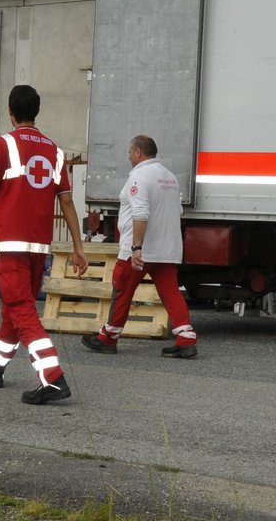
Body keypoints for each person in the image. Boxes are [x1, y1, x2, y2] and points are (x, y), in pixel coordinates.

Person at [0, 84, 88, 405]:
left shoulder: (3, 144)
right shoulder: (55, 151)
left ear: (11, 112)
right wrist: (78, 246)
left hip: (11, 244)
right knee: (12, 309)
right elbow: (67, 203)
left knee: (21, 309)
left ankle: (52, 378)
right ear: (36, 112)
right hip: (38, 246)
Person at [82, 135, 198, 358]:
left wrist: (137, 247)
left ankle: (109, 337)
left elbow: (141, 213)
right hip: (167, 249)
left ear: (137, 152)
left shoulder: (139, 176)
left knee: (122, 287)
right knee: (171, 292)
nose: (127, 156)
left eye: (128, 152)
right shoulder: (170, 177)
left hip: (141, 250)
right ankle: (186, 337)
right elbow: (178, 211)